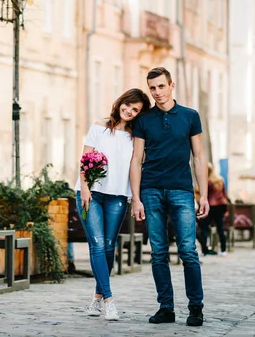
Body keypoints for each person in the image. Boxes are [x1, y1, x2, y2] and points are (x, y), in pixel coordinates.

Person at [130, 67, 209, 327]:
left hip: (181, 191)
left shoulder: (190, 116)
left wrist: (204, 195)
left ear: (171, 85)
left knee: (188, 250)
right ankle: (166, 307)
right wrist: (136, 197)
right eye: (152, 88)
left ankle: (195, 308)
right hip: (151, 191)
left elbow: (198, 157)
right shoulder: (144, 119)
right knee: (158, 252)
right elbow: (136, 159)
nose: (157, 92)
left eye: (161, 86)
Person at [75, 88, 151, 321]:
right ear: (120, 103)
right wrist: (86, 188)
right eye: (127, 105)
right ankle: (109, 300)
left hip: (118, 195)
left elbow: (136, 166)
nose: (129, 111)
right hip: (91, 194)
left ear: (139, 114)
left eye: (135, 109)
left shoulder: (135, 136)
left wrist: (136, 197)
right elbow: (85, 159)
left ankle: (97, 297)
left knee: (109, 246)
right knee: (97, 244)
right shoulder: (100, 126)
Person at [199, 163, 229, 256]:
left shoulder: (207, 182)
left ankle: (205, 249)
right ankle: (223, 250)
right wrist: (226, 209)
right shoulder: (220, 180)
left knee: (204, 227)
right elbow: (224, 195)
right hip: (221, 206)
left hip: (211, 206)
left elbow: (205, 195)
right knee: (220, 228)